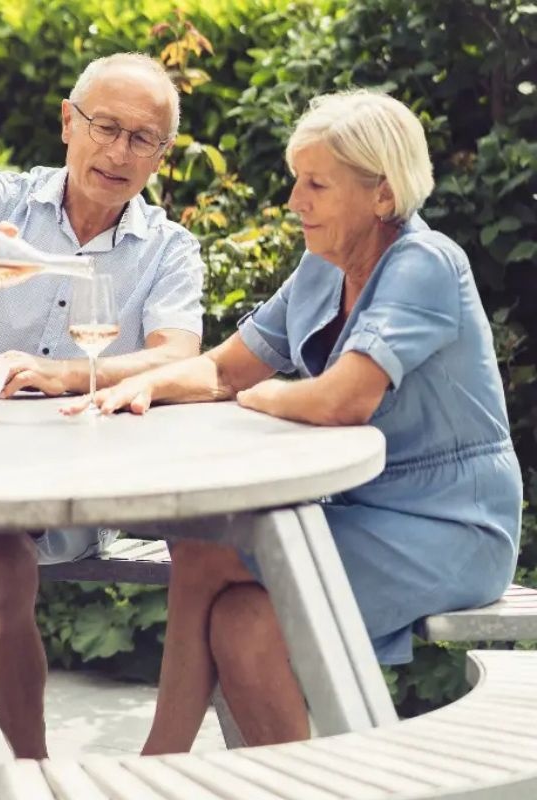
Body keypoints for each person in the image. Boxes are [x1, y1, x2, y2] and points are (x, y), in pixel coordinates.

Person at [71, 89, 523, 754]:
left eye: (316, 184)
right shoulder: (323, 265)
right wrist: (145, 386)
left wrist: (258, 396)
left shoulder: (425, 263)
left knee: (204, 549)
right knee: (241, 621)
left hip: (453, 525)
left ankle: (157, 763)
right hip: (364, 513)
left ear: (381, 193)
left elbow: (343, 400)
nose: (293, 201)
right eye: (296, 180)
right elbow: (225, 368)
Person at [0, 52, 204, 799]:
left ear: (161, 154)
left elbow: (177, 356)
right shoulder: (7, 204)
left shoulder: (168, 248)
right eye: (105, 127)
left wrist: (63, 375)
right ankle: (38, 775)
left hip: (73, 481)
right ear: (68, 122)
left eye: (142, 138)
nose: (119, 152)